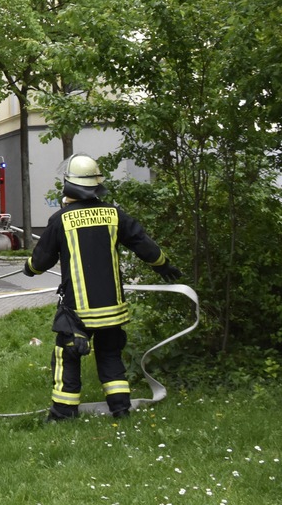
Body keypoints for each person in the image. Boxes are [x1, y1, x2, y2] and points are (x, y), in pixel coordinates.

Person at [23, 154, 181, 420]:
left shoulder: (61, 219)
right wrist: (163, 265)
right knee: (110, 357)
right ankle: (121, 408)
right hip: (112, 309)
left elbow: (40, 262)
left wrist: (29, 268)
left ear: (69, 185)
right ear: (97, 185)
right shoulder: (113, 214)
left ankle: (63, 413)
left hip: (79, 313)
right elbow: (143, 243)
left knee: (67, 356)